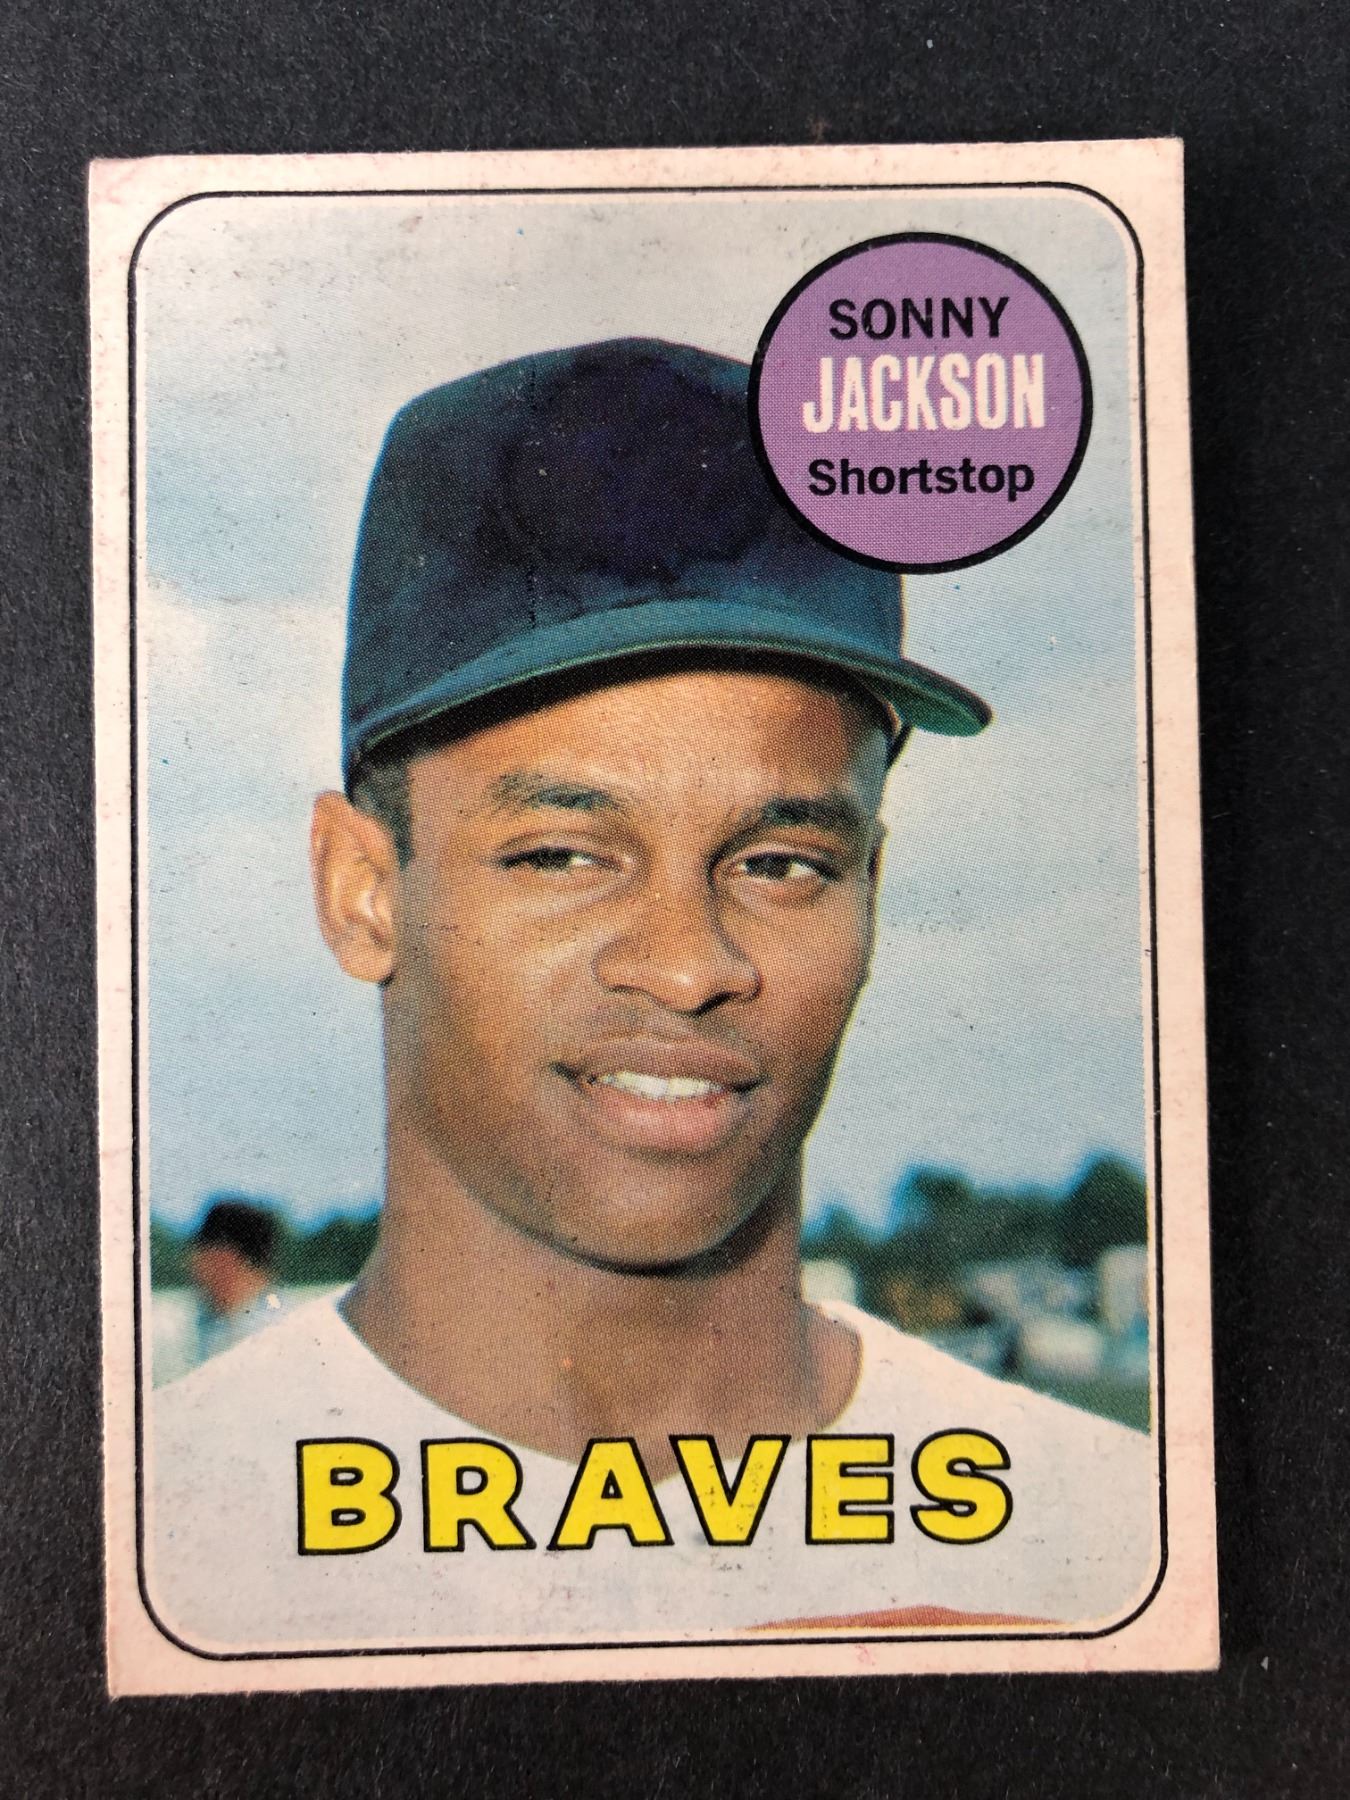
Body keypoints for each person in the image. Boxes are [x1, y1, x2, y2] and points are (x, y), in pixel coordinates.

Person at [150, 339, 1155, 1652]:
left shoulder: (1110, 1557)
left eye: (782, 863)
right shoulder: (150, 1564)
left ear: (870, 888)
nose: (686, 966)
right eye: (563, 854)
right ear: (361, 892)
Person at [183, 1198, 288, 1370]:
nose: (191, 1265)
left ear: (223, 1257)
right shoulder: (218, 1321)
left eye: (200, 1252)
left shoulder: (267, 1329)